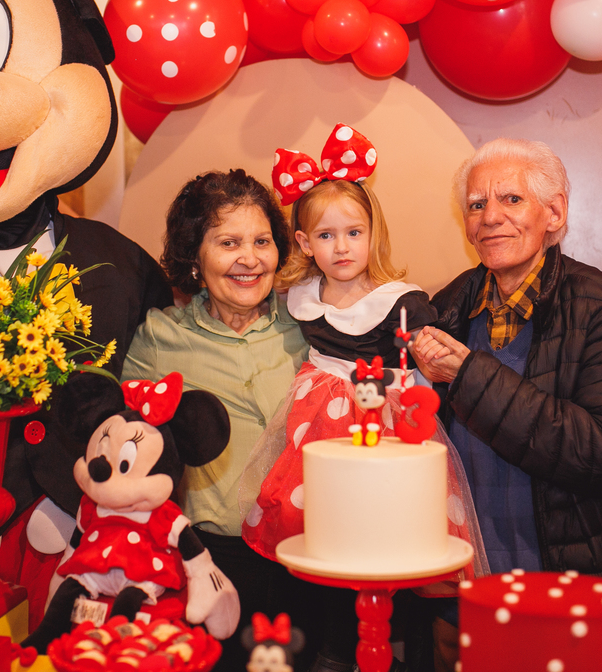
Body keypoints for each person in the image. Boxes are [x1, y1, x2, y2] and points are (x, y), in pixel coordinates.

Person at [241, 124, 486, 672]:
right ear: (304, 243)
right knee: (324, 539)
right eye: (325, 236)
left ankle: (384, 648)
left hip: (381, 432)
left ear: (373, 233)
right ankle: (334, 648)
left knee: (382, 540)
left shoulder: (400, 302)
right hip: (313, 439)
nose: (342, 247)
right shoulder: (299, 299)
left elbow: (426, 368)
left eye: (353, 232)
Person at [411, 138, 602, 670]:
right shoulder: (446, 307)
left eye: (511, 200)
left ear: (555, 212)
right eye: (476, 205)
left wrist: (468, 375)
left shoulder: (601, 306)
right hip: (463, 586)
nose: (490, 218)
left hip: (571, 582)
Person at [121, 169, 313, 672]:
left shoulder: (311, 326)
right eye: (229, 242)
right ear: (194, 257)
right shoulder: (160, 338)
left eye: (262, 241)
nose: (249, 258)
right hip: (208, 562)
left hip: (305, 557)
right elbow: (129, 447)